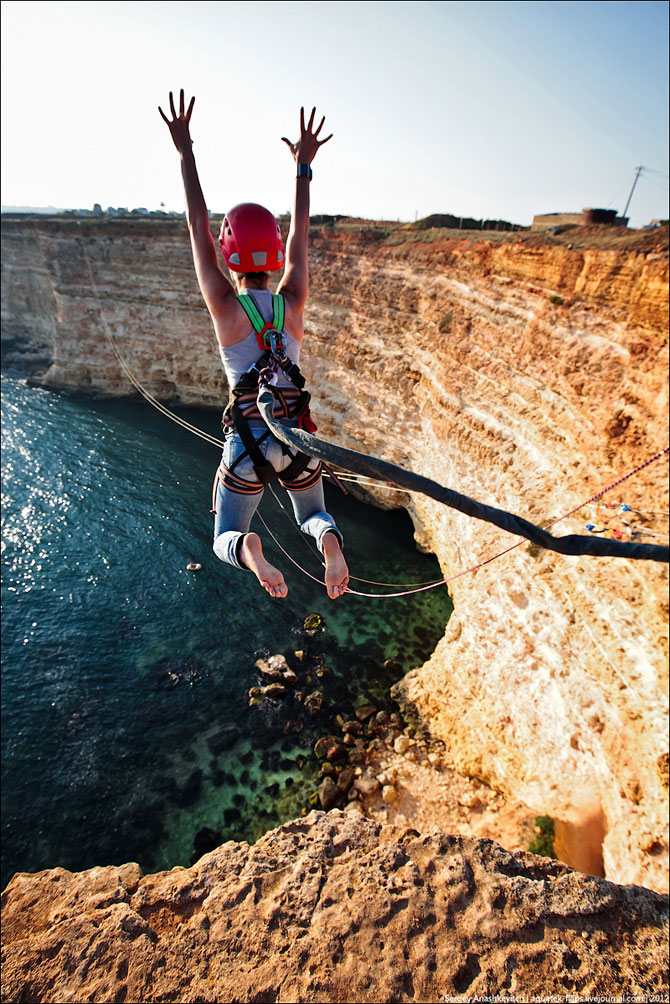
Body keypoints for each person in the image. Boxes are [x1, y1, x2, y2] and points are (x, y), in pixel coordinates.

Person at [159, 90, 349, 600]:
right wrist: (303, 170)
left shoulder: (224, 303)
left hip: (248, 443)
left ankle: (249, 550)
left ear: (229, 253)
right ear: (275, 250)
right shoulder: (294, 299)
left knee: (223, 534)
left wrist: (186, 153)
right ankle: (329, 542)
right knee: (312, 513)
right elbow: (301, 236)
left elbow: (196, 226)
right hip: (297, 440)